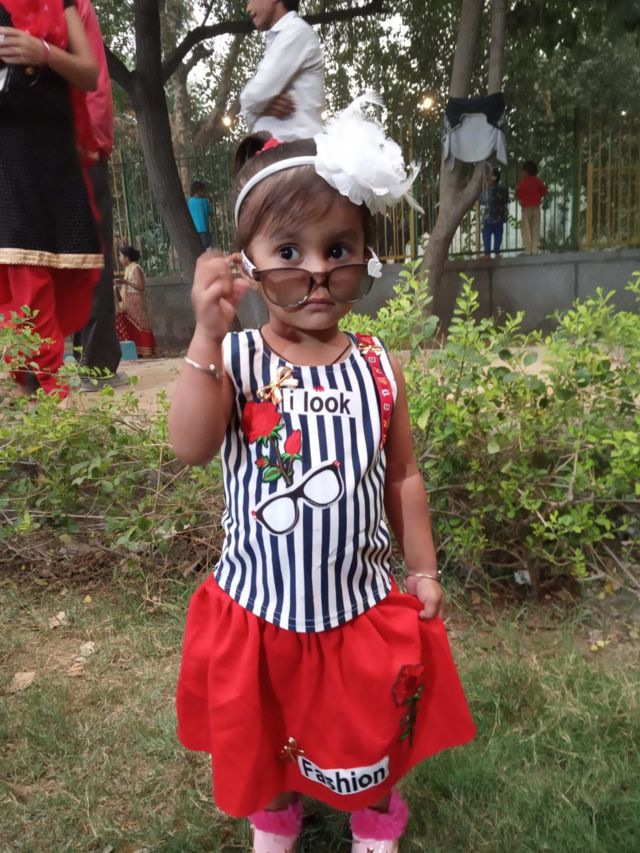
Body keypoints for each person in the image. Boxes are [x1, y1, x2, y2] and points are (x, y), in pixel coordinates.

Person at [169, 97, 475, 853]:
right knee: (269, 729)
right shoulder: (237, 359)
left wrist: (423, 568)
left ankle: (374, 817)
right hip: (262, 606)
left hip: (357, 605)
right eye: (288, 250)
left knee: (371, 725)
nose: (314, 271)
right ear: (246, 263)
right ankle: (277, 818)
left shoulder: (376, 365)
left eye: (337, 249)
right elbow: (192, 446)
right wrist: (205, 338)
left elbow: (402, 476)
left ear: (366, 255)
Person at [0, 0, 103, 398]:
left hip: (52, 149)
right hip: (7, 147)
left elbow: (90, 73)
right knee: (21, 268)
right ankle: (36, 386)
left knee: (44, 267)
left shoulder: (62, 3)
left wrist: (42, 52)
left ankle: (46, 391)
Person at [73, 0, 127, 392]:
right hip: (77, 148)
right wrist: (94, 141)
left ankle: (31, 373)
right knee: (92, 257)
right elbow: (94, 82)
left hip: (30, 151)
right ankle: (95, 365)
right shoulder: (74, 6)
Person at [240, 0, 325, 142]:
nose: (248, 8)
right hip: (278, 150)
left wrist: (258, 104)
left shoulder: (296, 31)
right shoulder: (279, 38)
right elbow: (249, 110)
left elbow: (254, 95)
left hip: (296, 150)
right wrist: (263, 106)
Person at [115, 245, 156, 357]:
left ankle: (146, 350)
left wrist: (126, 282)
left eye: (120, 256)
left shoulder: (136, 268)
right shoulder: (128, 269)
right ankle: (137, 350)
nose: (119, 258)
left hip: (137, 301)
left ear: (127, 258)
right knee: (130, 325)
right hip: (129, 302)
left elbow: (140, 286)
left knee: (140, 324)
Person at [515, 159, 548, 255]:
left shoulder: (522, 183)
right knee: (535, 228)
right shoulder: (538, 181)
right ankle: (535, 249)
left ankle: (528, 250)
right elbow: (544, 192)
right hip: (536, 207)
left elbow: (517, 194)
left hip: (526, 209)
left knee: (526, 229)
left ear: (525, 171)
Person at [479, 166, 509, 257]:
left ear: (493, 178)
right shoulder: (503, 189)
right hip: (500, 217)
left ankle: (487, 254)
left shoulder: (486, 190)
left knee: (486, 236)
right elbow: (506, 200)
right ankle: (497, 252)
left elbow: (482, 201)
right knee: (498, 235)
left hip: (489, 218)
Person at [187, 180, 213, 250]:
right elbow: (210, 212)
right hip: (204, 230)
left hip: (193, 230)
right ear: (199, 190)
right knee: (207, 249)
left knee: (196, 250)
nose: (205, 193)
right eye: (204, 191)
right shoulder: (205, 201)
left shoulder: (190, 202)